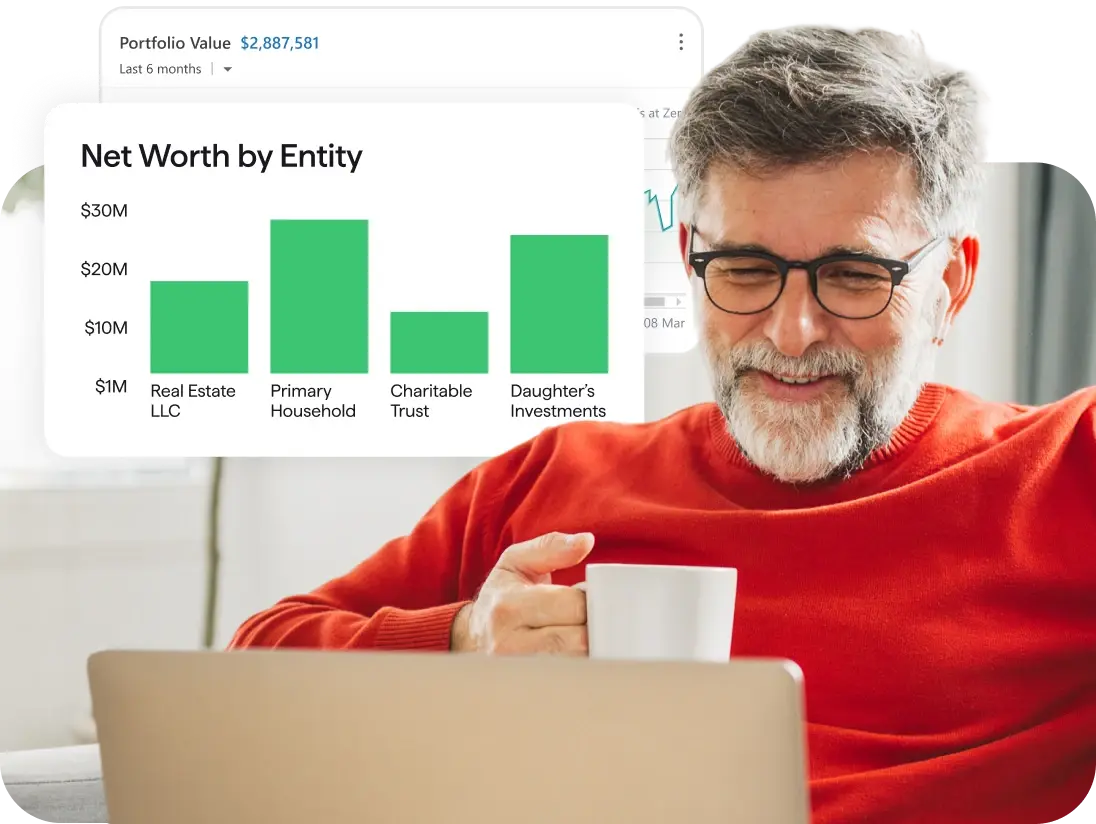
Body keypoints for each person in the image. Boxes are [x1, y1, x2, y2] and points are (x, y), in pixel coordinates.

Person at [229, 22, 1096, 824]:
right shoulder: (555, 478)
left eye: (855, 275)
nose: (792, 333)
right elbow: (254, 662)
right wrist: (461, 642)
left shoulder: (1066, 469)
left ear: (951, 284)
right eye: (747, 270)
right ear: (689, 258)